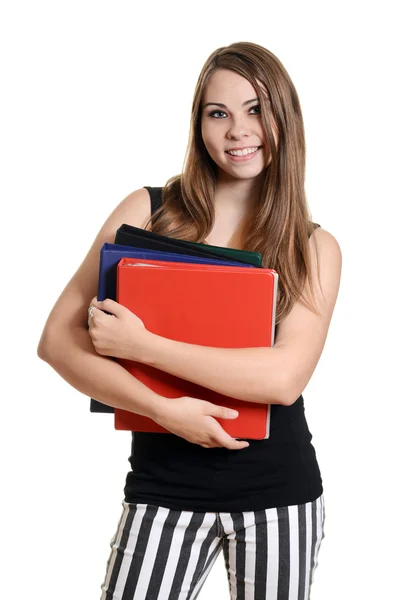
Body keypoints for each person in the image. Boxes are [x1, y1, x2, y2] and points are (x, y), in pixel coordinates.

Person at [37, 41, 341, 600]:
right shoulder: (148, 211)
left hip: (279, 493)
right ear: (198, 123)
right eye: (217, 113)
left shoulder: (312, 246)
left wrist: (145, 346)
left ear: (284, 117)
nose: (237, 131)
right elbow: (57, 342)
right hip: (162, 487)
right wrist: (162, 410)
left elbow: (283, 378)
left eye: (256, 108)